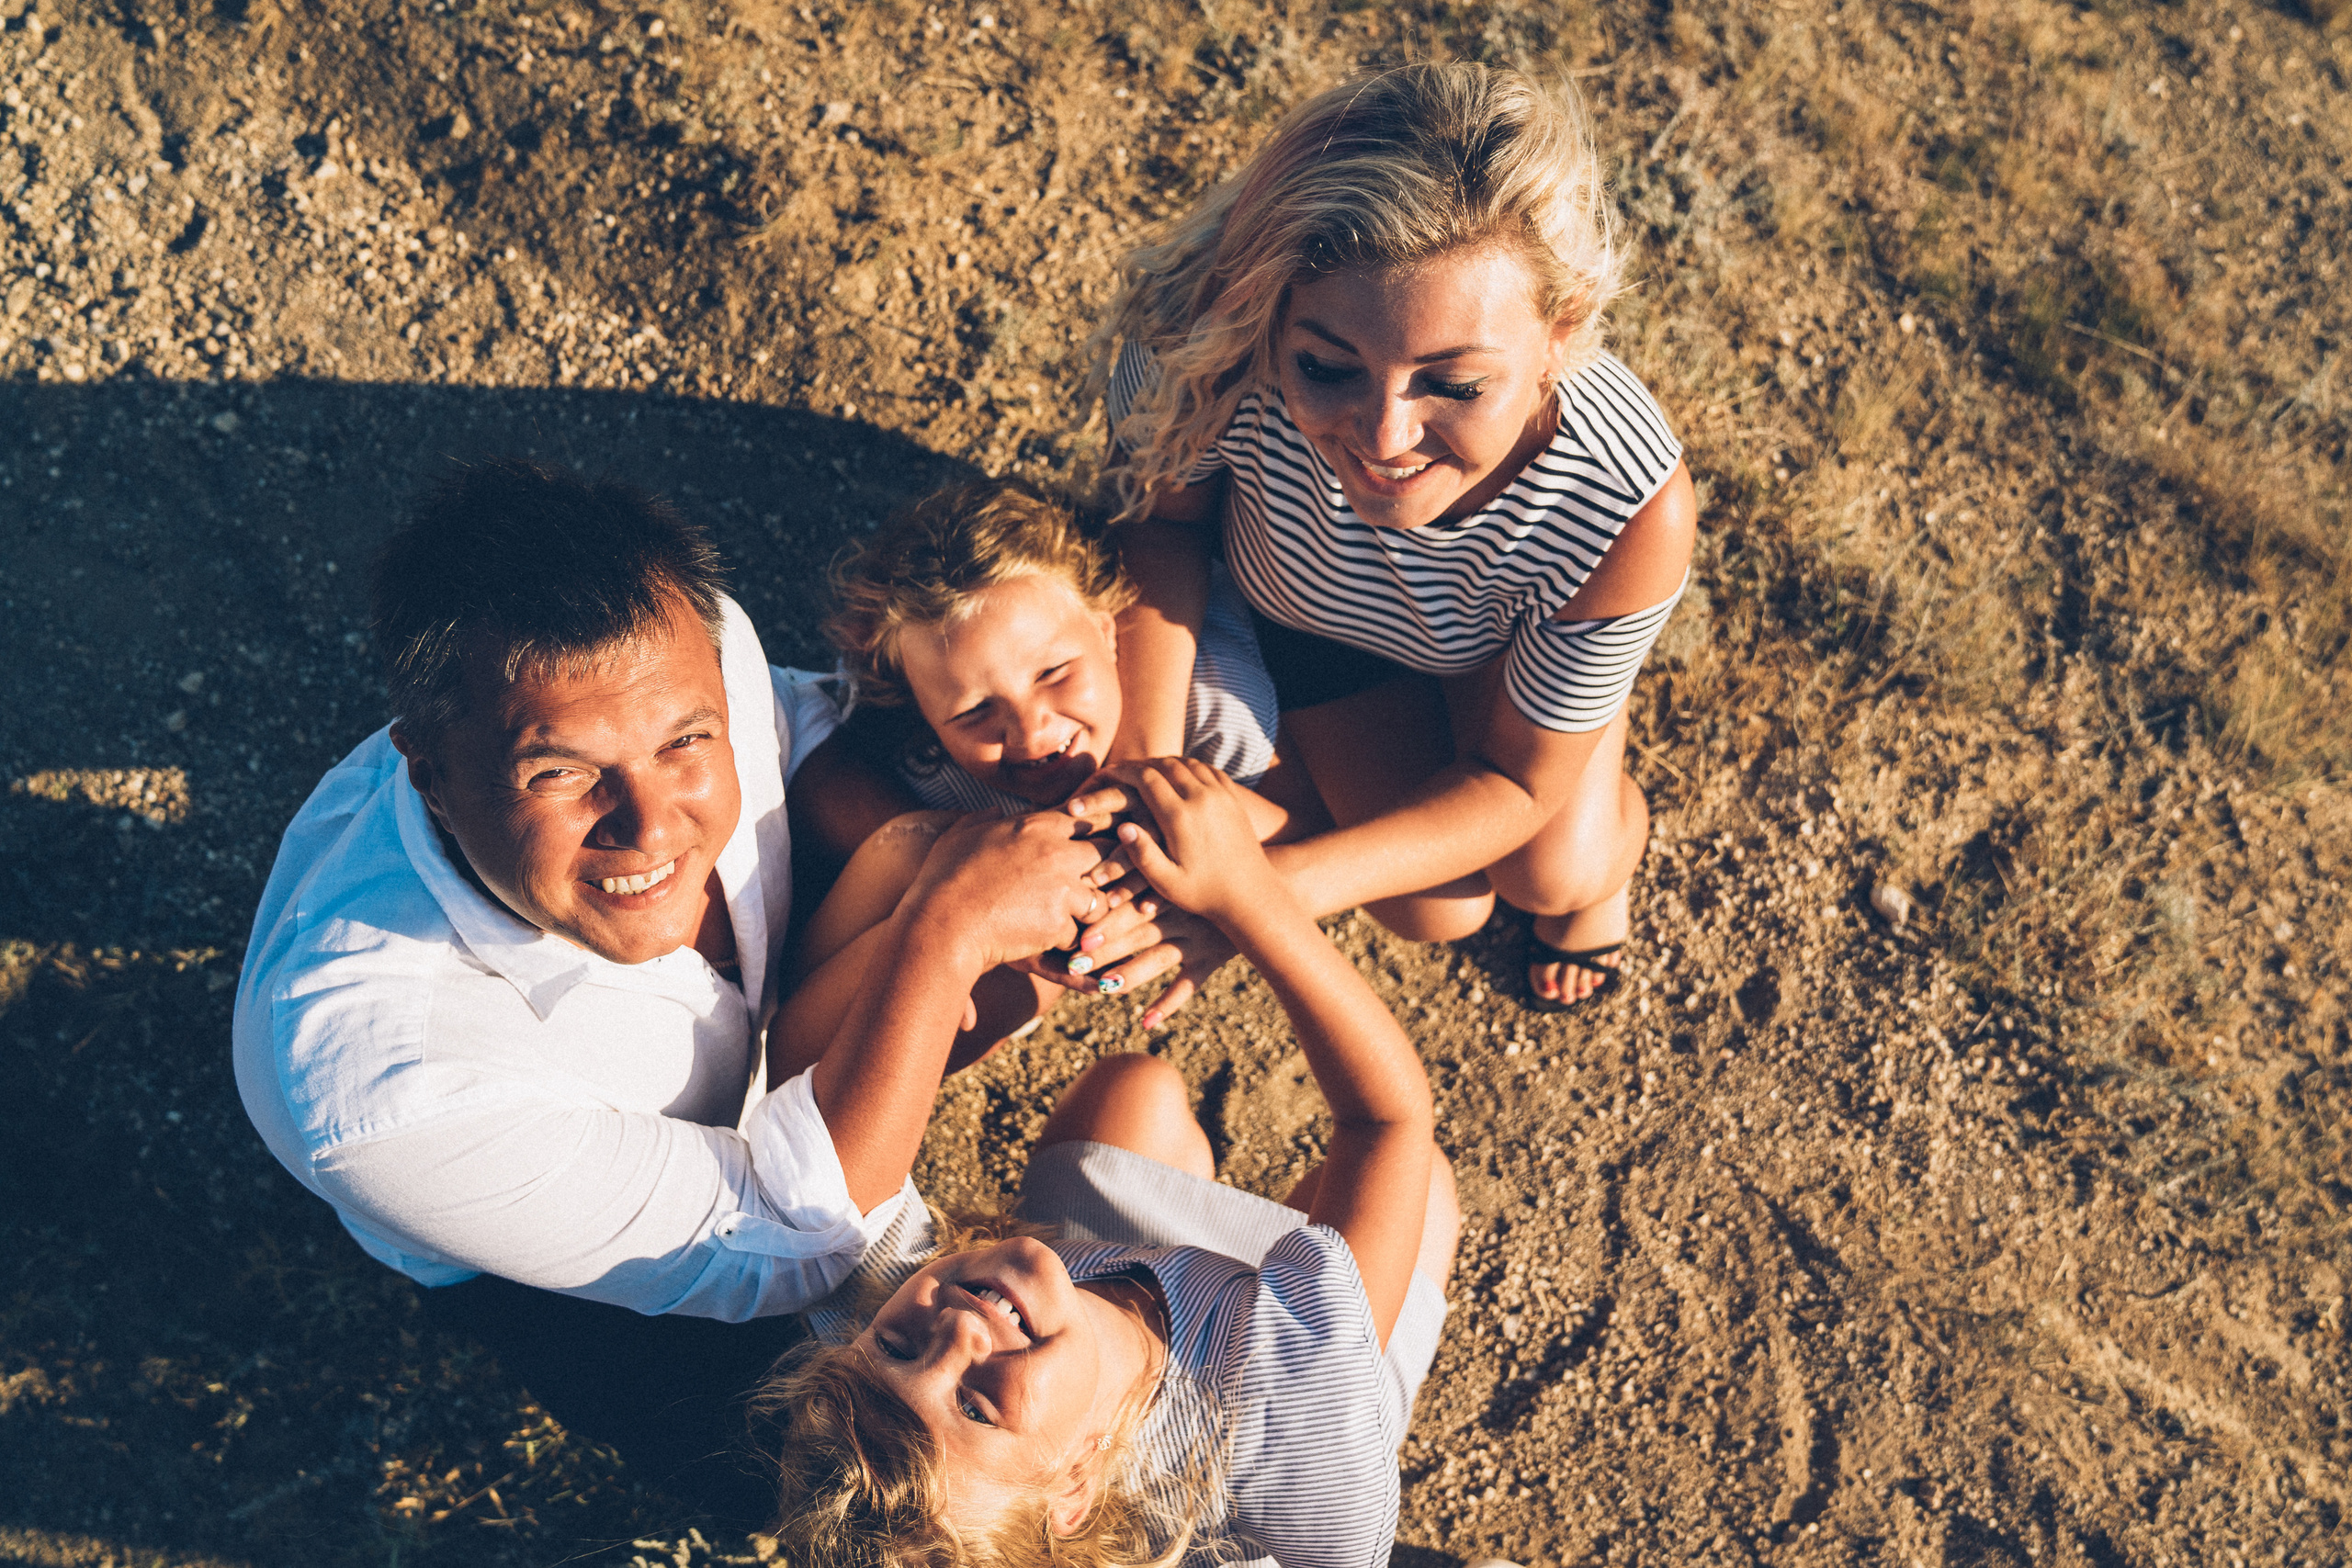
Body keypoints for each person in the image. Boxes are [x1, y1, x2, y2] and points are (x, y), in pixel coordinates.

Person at [232, 459, 1111, 1519]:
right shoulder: (384, 1089)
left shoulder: (687, 647)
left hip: (772, 1083)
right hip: (562, 1252)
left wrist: (917, 850)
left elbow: (789, 727)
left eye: (685, 743)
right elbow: (789, 1247)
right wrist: (942, 923)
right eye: (559, 774)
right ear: (425, 768)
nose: (650, 828)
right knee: (780, 1466)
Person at [1085, 62, 1700, 1012]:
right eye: (1327, 369)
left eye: (1453, 386)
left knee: (1554, 876)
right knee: (1434, 909)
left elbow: (1509, 781)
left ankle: (1581, 729)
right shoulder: (1200, 354)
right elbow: (1163, 536)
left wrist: (1258, 899)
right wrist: (1147, 777)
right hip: (1316, 623)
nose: (1383, 440)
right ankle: (1557, 700)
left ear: (1560, 335)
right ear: (1270, 315)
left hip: (1497, 641)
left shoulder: (1625, 502)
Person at [755, 758, 1458, 1567]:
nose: (952, 1330)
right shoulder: (1290, 1420)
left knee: (1134, 1088)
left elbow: (814, 1120)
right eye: (978, 1409)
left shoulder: (872, 1325)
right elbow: (1386, 1118)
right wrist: (1247, 896)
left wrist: (951, 922)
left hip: (1118, 1286)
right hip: (1283, 1365)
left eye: (897, 1348)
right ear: (1076, 1489)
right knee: (1421, 1183)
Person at [780, 479, 1324, 1058]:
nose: (1030, 731)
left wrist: (1209, 822)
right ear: (923, 712)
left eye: (1054, 674)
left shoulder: (1214, 706)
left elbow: (1308, 832)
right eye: (973, 711)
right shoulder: (925, 765)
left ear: (1110, 632)